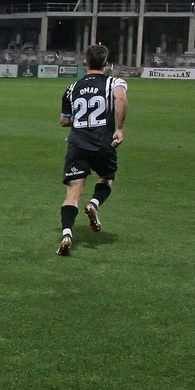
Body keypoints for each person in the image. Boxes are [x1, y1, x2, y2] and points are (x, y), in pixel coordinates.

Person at [58, 44, 128, 256]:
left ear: (84, 62)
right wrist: (120, 129)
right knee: (107, 177)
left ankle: (67, 234)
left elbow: (63, 121)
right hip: (102, 144)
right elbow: (121, 98)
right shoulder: (114, 82)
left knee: (72, 193)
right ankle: (94, 203)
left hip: (77, 144)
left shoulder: (72, 88)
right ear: (106, 63)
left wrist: (80, 121)